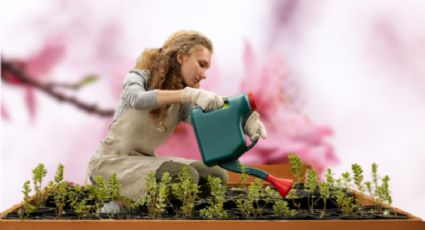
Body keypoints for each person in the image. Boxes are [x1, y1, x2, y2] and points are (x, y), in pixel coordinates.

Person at [87, 30, 267, 201]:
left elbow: (211, 119)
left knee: (216, 176)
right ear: (181, 57)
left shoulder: (181, 105)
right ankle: (120, 203)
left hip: (144, 162)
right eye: (201, 64)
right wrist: (188, 95)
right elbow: (137, 99)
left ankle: (183, 211)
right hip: (111, 164)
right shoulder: (137, 78)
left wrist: (245, 119)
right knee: (185, 177)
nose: (204, 75)